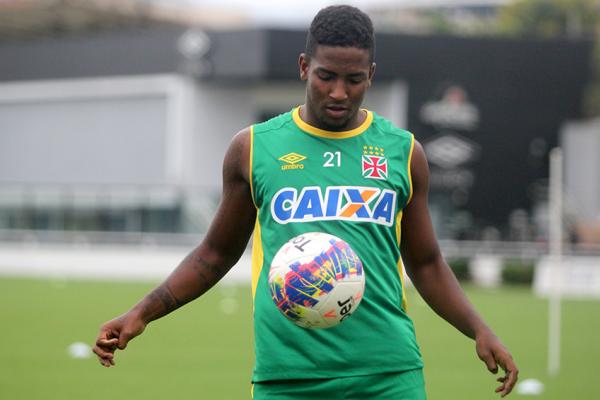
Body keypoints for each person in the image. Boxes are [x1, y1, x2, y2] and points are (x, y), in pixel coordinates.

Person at [94, 5, 518, 399]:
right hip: (288, 378)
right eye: (326, 76)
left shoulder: (403, 152)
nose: (339, 92)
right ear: (303, 67)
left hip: (387, 374)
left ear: (371, 75)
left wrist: (479, 329)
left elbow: (425, 263)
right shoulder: (254, 149)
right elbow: (215, 253)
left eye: (354, 80)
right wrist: (141, 313)